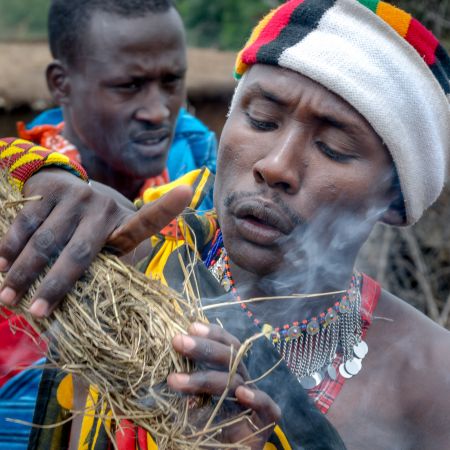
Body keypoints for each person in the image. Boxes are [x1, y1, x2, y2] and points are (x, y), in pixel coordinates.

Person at [1, 0, 450, 448]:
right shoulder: (134, 257)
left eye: (333, 147)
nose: (276, 165)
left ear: (393, 200)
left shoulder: (431, 381)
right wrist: (41, 176)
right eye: (261, 120)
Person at [0, 0, 216, 446]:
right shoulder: (18, 211)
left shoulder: (213, 194)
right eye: (128, 85)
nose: (158, 111)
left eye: (171, 82)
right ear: (62, 84)